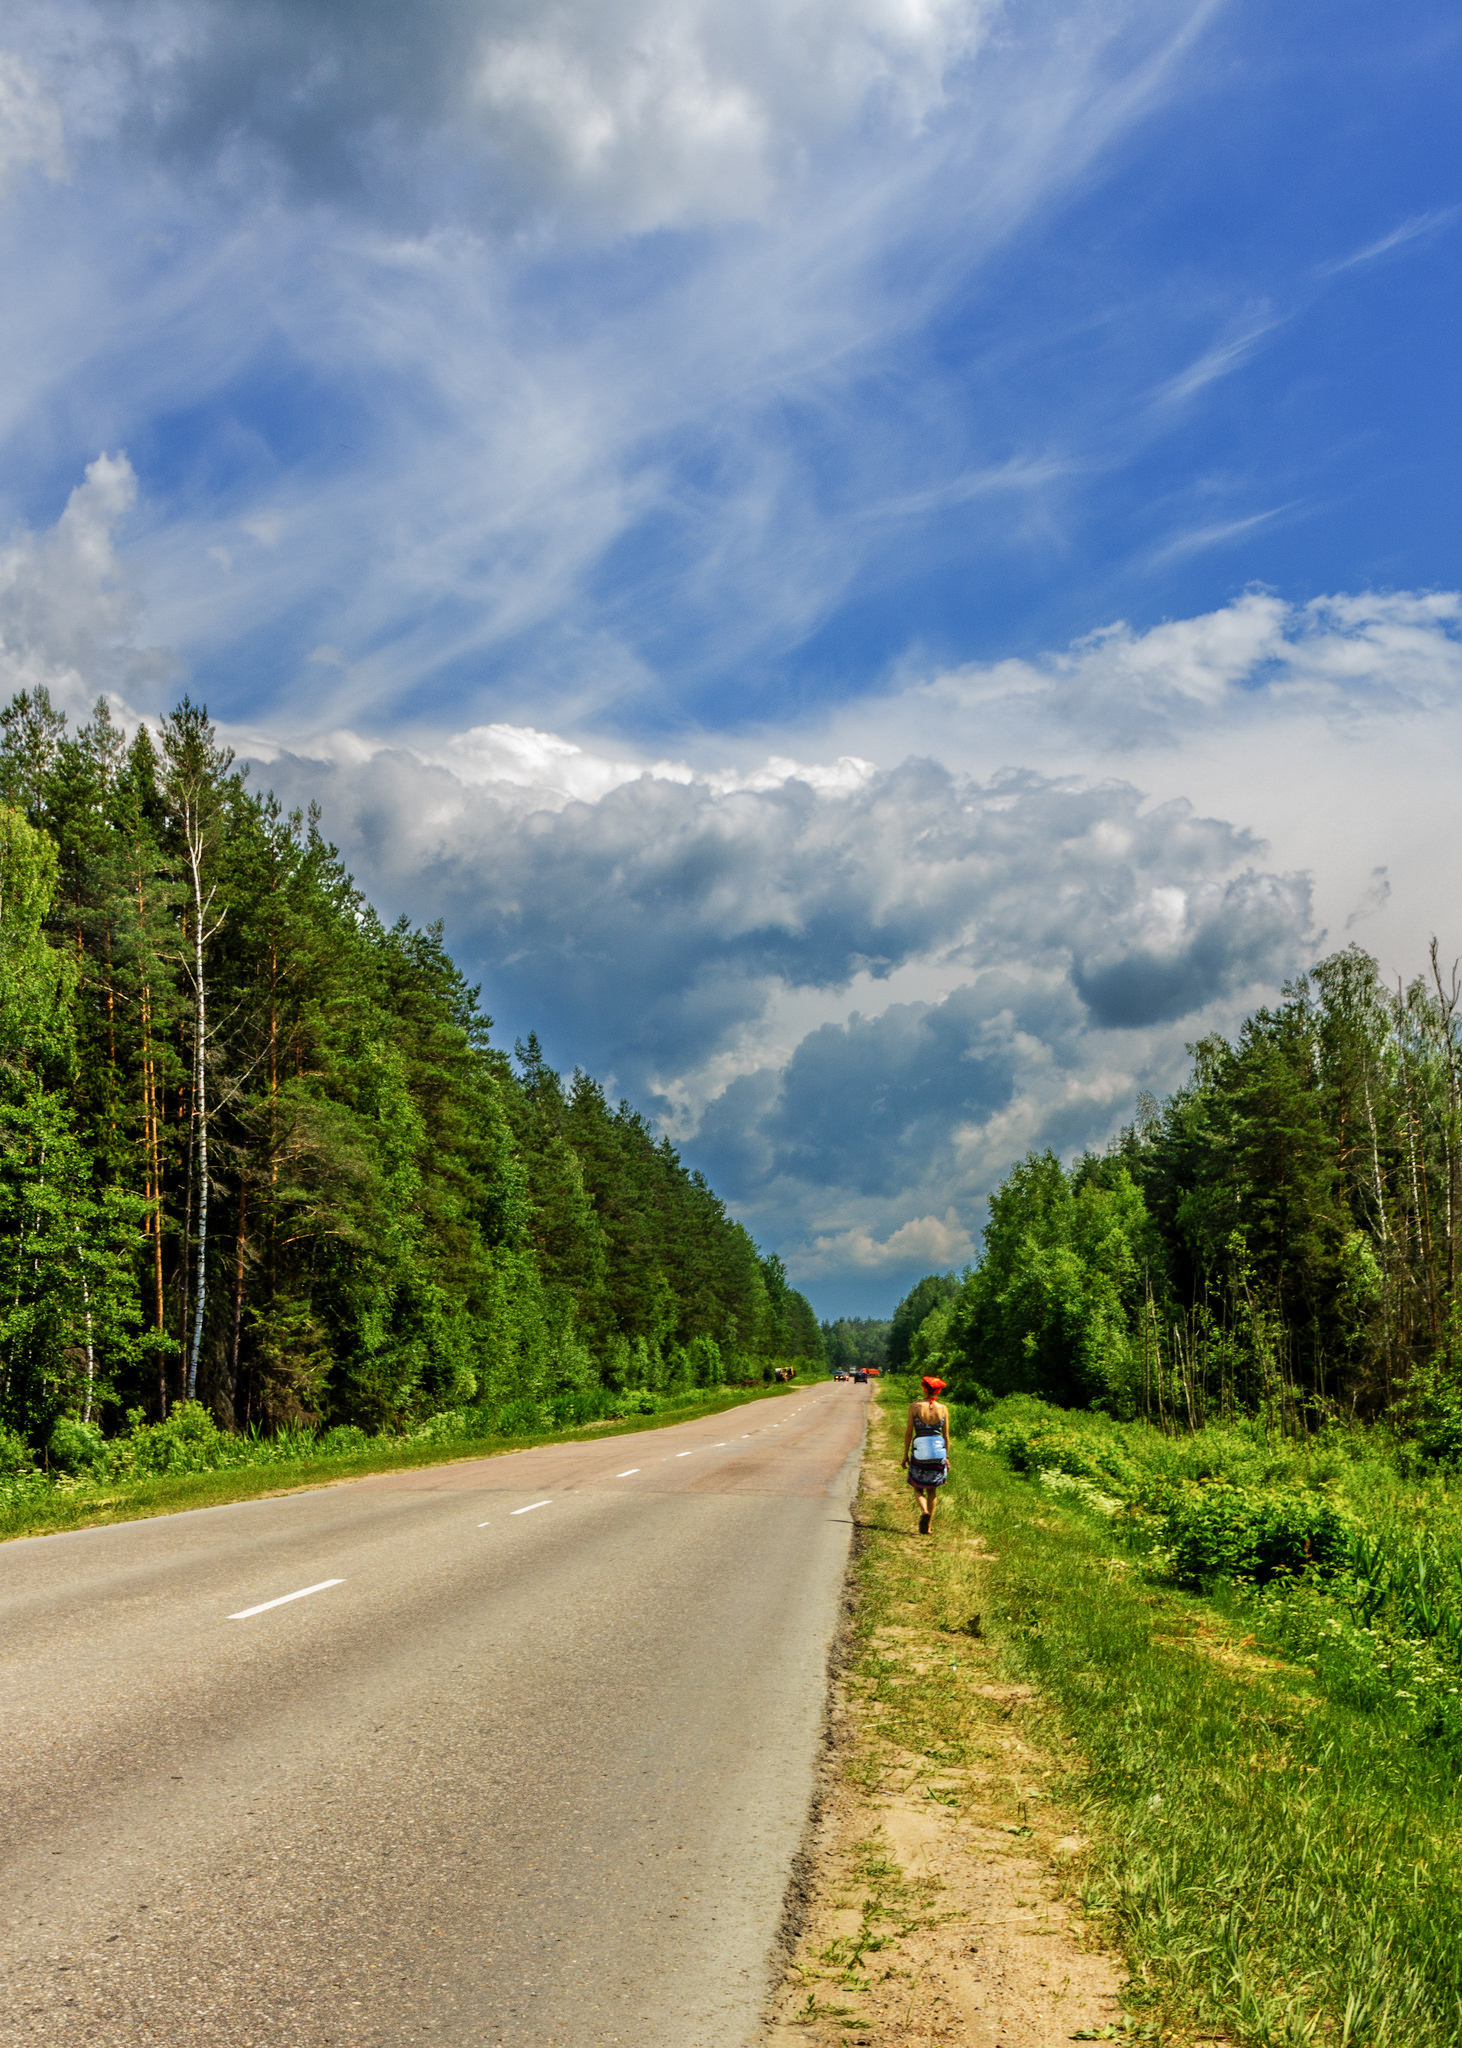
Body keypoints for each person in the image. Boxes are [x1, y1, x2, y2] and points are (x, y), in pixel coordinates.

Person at [902, 1375, 950, 1535]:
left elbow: (909, 1433)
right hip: (938, 1452)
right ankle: (928, 1527)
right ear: (938, 1391)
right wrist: (947, 1457)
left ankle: (924, 1511)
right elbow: (946, 1436)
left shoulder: (915, 1407)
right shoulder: (943, 1409)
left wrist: (905, 1455)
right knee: (932, 1491)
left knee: (918, 1487)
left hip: (920, 1451)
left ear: (924, 1388)